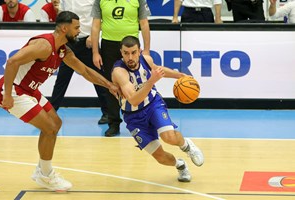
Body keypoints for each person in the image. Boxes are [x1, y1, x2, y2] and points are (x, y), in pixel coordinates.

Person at [0, 11, 120, 192]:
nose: (79, 31)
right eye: (76, 27)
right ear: (64, 28)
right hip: (14, 90)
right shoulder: (44, 45)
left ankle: (41, 170)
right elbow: (12, 61)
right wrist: (7, 94)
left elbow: (84, 71)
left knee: (56, 123)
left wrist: (109, 85)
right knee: (49, 128)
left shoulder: (63, 50)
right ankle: (46, 175)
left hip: (29, 90)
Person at [112, 36, 204, 182]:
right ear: (121, 53)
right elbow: (134, 100)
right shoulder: (119, 72)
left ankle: (187, 146)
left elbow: (159, 71)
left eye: (133, 52)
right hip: (133, 117)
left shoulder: (146, 60)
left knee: (169, 137)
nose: (130, 57)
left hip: (153, 105)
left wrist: (179, 76)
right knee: (160, 157)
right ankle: (180, 165)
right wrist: (151, 81)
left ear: (139, 51)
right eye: (126, 53)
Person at [91, 0, 151, 137]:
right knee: (112, 86)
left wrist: (146, 50)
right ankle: (113, 123)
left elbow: (144, 23)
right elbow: (95, 26)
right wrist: (95, 52)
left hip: (131, 46)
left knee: (140, 82)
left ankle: (143, 122)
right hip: (109, 46)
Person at [45, 0, 109, 124]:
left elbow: (101, 18)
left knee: (98, 78)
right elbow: (63, 16)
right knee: (61, 80)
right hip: (69, 42)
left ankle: (107, 113)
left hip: (88, 42)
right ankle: (51, 113)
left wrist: (93, 36)